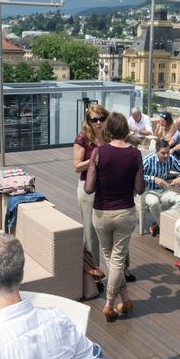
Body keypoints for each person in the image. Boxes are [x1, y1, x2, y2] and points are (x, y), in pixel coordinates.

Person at [86, 111, 144, 320]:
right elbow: (139, 189)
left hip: (102, 213)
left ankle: (110, 303)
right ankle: (125, 299)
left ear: (109, 130)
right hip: (125, 212)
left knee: (111, 257)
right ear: (126, 130)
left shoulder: (99, 153)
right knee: (117, 258)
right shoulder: (135, 154)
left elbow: (89, 188)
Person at [73, 104, 110, 264]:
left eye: (102, 118)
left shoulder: (111, 136)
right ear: (88, 121)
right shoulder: (83, 138)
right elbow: (77, 166)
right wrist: (94, 159)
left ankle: (123, 269)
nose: (98, 123)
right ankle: (95, 272)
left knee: (113, 228)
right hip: (89, 188)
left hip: (110, 188)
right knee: (90, 232)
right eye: (94, 119)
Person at [141, 139, 180, 237]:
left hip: (164, 191)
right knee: (154, 202)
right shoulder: (148, 160)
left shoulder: (171, 158)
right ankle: (164, 226)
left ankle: (160, 223)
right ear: (156, 152)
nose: (166, 156)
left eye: (168, 152)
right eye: (163, 153)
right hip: (147, 191)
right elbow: (135, 175)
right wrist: (153, 178)